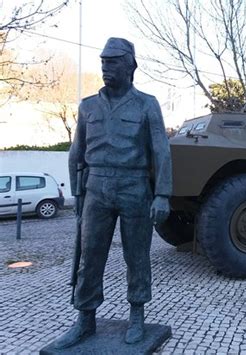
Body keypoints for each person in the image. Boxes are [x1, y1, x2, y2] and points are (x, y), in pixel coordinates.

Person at [53, 37, 172, 348]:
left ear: (130, 65)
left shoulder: (147, 104)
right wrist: (77, 194)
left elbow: (162, 151)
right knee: (89, 255)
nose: (106, 66)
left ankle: (137, 316)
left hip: (135, 187)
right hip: (96, 188)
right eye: (103, 61)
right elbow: (75, 151)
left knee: (137, 256)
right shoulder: (88, 106)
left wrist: (162, 194)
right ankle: (85, 319)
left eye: (113, 61)